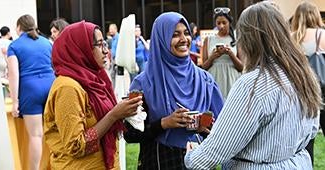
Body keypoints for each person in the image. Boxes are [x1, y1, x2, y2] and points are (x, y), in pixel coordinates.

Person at [184, 2, 322, 169]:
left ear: (247, 40)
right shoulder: (303, 75)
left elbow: (214, 152)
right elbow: (310, 130)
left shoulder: (253, 84)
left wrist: (192, 156)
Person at [123, 12, 224, 170]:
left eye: (186, 33)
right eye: (175, 34)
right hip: (159, 161)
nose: (184, 39)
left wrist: (205, 126)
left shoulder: (204, 80)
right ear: (161, 40)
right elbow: (130, 134)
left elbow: (222, 128)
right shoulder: (143, 83)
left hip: (198, 160)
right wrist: (164, 123)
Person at [43, 21, 142, 169]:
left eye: (105, 44)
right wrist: (113, 115)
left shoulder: (96, 78)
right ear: (80, 49)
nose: (105, 51)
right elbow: (76, 146)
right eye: (99, 45)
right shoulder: (68, 88)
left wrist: (124, 111)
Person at [7, 14, 55, 170]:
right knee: (55, 133)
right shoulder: (47, 42)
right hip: (50, 86)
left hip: (30, 90)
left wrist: (15, 102)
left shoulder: (14, 46)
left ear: (19, 28)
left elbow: (13, 74)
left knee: (36, 135)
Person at [291, 1, 325, 165]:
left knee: (305, 140)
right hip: (323, 91)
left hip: (301, 92)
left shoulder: (291, 39)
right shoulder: (323, 35)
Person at [201, 7, 243, 100]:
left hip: (232, 80)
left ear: (229, 23)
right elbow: (203, 67)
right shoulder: (209, 40)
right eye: (218, 23)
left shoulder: (237, 39)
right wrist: (212, 57)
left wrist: (231, 54)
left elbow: (241, 67)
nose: (221, 26)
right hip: (215, 79)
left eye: (224, 23)